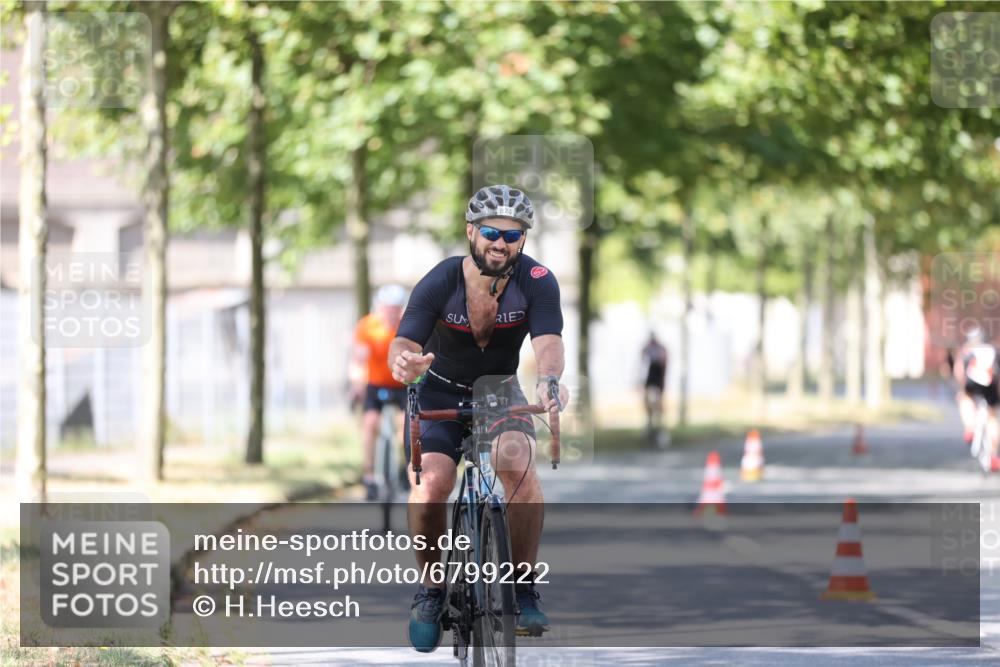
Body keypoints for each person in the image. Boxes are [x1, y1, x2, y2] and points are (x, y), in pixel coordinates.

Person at [388, 184, 566, 652]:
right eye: (490, 232)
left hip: (499, 394)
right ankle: (430, 591)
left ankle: (523, 588)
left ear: (523, 241)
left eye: (512, 236)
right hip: (440, 393)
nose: (500, 244)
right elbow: (404, 343)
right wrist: (404, 363)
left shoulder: (538, 279)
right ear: (471, 232)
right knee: (432, 485)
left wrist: (549, 380)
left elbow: (549, 341)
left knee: (520, 470)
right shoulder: (441, 279)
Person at [349, 284, 408, 500]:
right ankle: (370, 476)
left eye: (395, 308)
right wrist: (357, 385)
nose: (391, 312)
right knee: (370, 424)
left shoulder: (407, 326)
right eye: (387, 307)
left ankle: (404, 469)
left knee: (406, 428)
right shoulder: (368, 326)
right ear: (380, 307)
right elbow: (358, 359)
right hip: (375, 384)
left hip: (402, 384)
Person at [954, 326, 1000, 471]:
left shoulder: (968, 351)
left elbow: (960, 371)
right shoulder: (994, 350)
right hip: (991, 385)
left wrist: (961, 389)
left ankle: (970, 428)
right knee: (992, 416)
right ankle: (993, 456)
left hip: (972, 383)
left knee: (965, 399)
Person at [640, 332, 669, 447]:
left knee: (656, 408)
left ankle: (657, 430)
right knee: (650, 407)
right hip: (652, 383)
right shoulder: (650, 351)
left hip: (656, 383)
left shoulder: (659, 351)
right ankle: (651, 429)